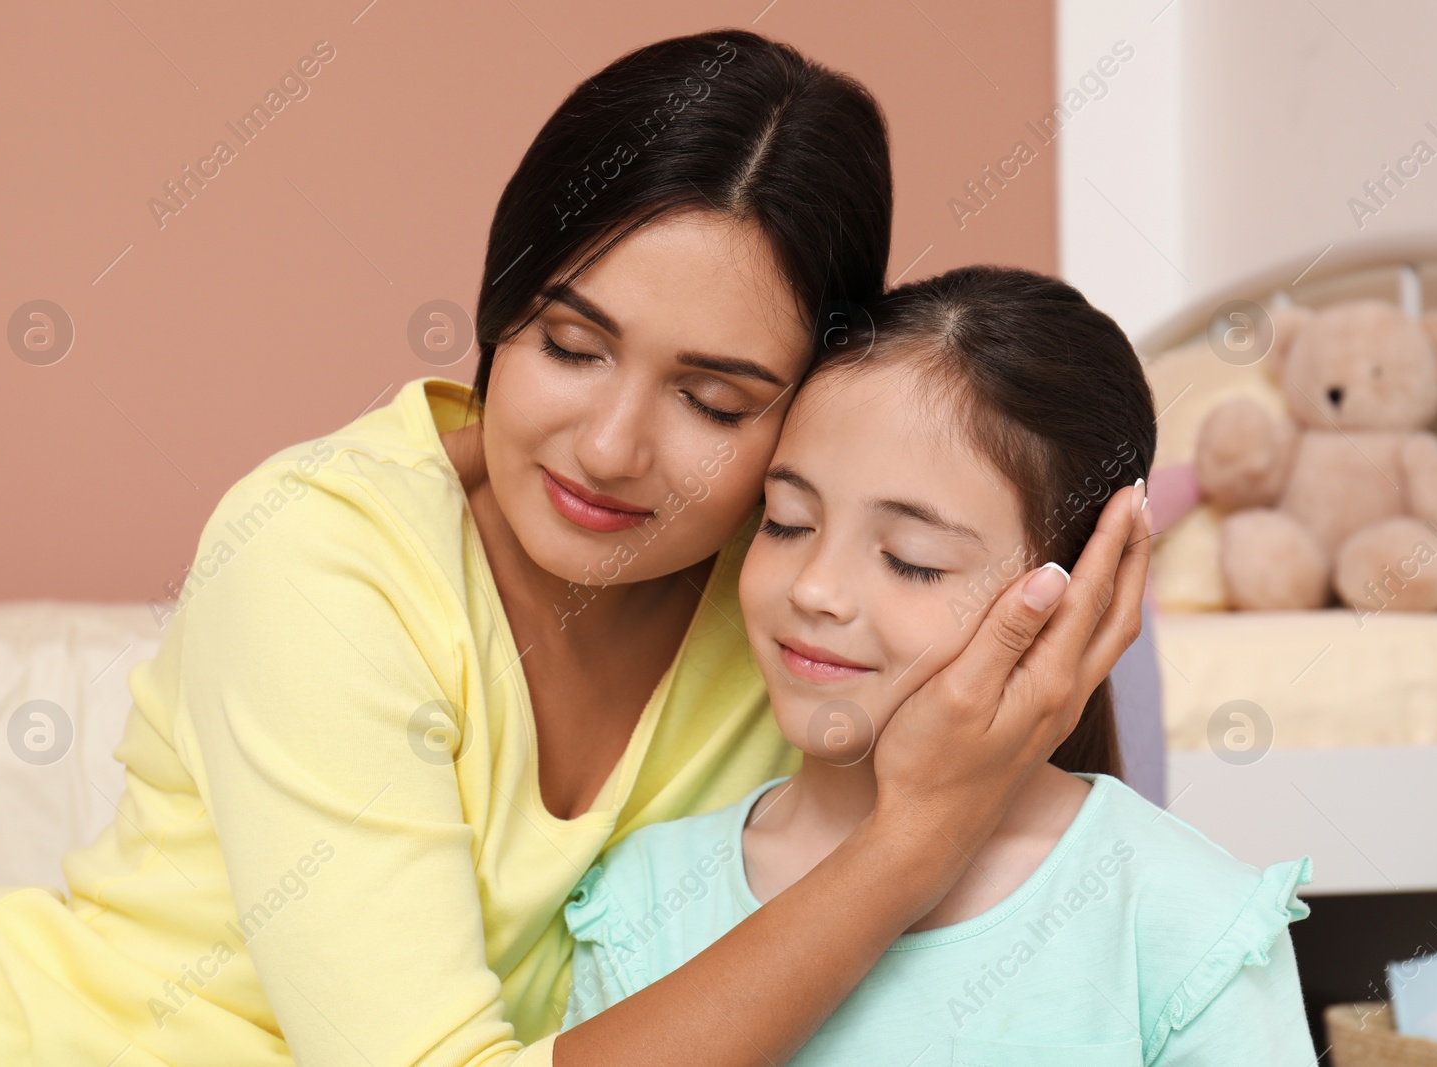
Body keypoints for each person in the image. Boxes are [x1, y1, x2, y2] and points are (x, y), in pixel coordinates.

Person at [0, 32, 1150, 1067]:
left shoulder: (801, 602)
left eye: (715, 400)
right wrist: (913, 840)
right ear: (498, 310)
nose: (611, 445)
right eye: (568, 345)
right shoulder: (321, 552)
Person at [561, 267, 1316, 1064]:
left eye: (912, 560)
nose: (815, 588)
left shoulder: (1178, 917)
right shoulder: (645, 901)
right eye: (786, 523)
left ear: (1081, 592)